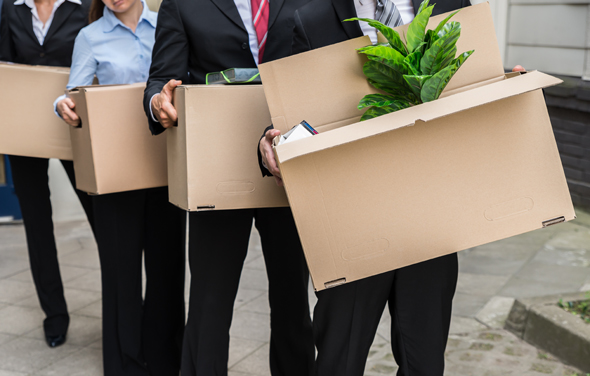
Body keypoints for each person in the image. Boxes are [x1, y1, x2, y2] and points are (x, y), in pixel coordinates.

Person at [259, 1, 527, 375]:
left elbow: (472, 80)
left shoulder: (450, 5)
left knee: (425, 362)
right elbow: (275, 106)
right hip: (351, 219)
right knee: (339, 359)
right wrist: (267, 143)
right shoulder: (307, 13)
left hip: (431, 215)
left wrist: (507, 87)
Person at [143, 0, 315, 374]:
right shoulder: (181, 5)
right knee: (210, 301)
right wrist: (158, 102)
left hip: (288, 163)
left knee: (293, 300)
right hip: (215, 166)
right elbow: (160, 80)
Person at [54, 0, 186, 374]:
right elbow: (73, 94)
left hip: (166, 164)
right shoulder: (90, 36)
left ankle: (164, 359)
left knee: (167, 268)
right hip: (114, 172)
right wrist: (62, 105)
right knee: (120, 273)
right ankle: (126, 362)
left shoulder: (168, 23)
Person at [0, 0, 94, 348]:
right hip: (24, 133)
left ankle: (122, 306)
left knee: (100, 217)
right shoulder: (12, 8)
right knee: (37, 227)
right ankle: (54, 315)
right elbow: (6, 69)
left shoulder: (83, 7)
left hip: (74, 125)